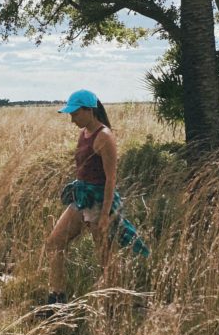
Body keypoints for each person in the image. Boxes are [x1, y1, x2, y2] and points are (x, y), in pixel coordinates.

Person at [44, 89, 149, 308]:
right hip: (82, 197)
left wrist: (104, 216)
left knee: (104, 258)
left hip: (99, 200)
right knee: (55, 242)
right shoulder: (84, 132)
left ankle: (119, 302)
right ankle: (57, 300)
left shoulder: (105, 137)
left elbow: (111, 179)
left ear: (89, 110)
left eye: (75, 113)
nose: (72, 119)